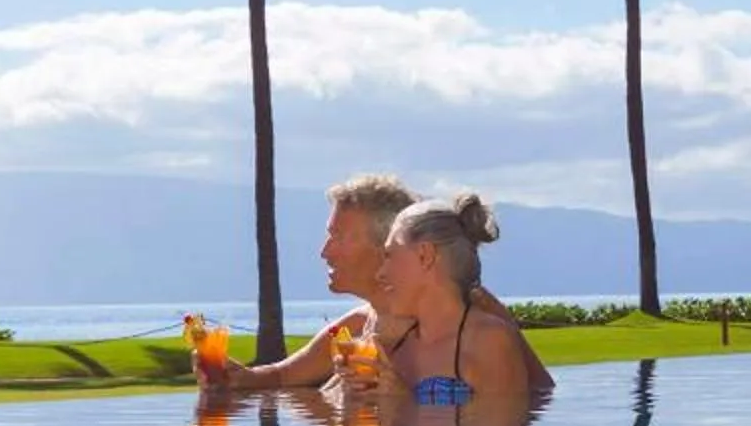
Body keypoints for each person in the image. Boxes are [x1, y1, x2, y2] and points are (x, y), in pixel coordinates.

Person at [215, 173, 420, 391]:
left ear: (387, 247)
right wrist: (233, 376)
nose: (325, 252)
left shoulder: (430, 331)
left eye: (338, 237)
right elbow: (280, 376)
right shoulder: (357, 325)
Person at [379, 194, 553, 404]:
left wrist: (402, 400)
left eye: (389, 255)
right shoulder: (394, 343)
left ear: (425, 255)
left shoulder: (489, 342)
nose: (381, 273)